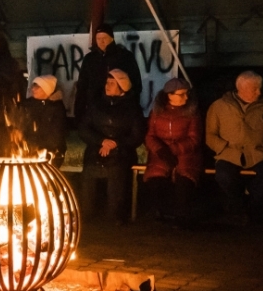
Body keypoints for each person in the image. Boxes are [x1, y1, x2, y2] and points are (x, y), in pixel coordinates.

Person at [207, 71, 263, 222]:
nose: (259, 92)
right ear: (241, 89)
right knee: (224, 176)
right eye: (255, 88)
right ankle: (238, 204)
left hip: (258, 153)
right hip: (229, 153)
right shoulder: (219, 106)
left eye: (259, 88)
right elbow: (210, 134)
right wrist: (223, 148)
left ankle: (249, 203)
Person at [78, 69, 146, 223]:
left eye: (112, 84)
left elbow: (136, 135)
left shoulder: (132, 109)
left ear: (122, 87)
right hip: (97, 148)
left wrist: (116, 143)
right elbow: (84, 128)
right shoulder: (96, 105)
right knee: (89, 171)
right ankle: (86, 213)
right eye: (107, 83)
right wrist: (101, 141)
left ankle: (115, 214)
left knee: (117, 172)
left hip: (121, 151)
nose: (107, 86)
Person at [142, 78, 204, 223]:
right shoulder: (157, 112)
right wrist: (160, 150)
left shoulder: (192, 113)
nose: (186, 97)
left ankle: (182, 214)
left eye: (187, 93)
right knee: (155, 180)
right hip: (161, 154)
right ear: (170, 95)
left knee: (184, 181)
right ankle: (161, 211)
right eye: (181, 94)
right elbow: (150, 136)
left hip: (186, 154)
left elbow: (194, 138)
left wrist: (172, 149)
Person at [73, 23, 142, 122]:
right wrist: (79, 112)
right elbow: (82, 86)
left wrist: (132, 107)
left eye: (104, 37)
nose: (101, 41)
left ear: (112, 38)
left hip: (119, 108)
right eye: (98, 38)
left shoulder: (125, 56)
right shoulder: (90, 59)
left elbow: (135, 84)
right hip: (95, 108)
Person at [16, 75, 69, 162]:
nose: (33, 89)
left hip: (50, 153)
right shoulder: (27, 105)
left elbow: (56, 136)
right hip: (27, 150)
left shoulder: (56, 108)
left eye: (38, 87)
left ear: (46, 89)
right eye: (33, 86)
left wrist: (37, 146)